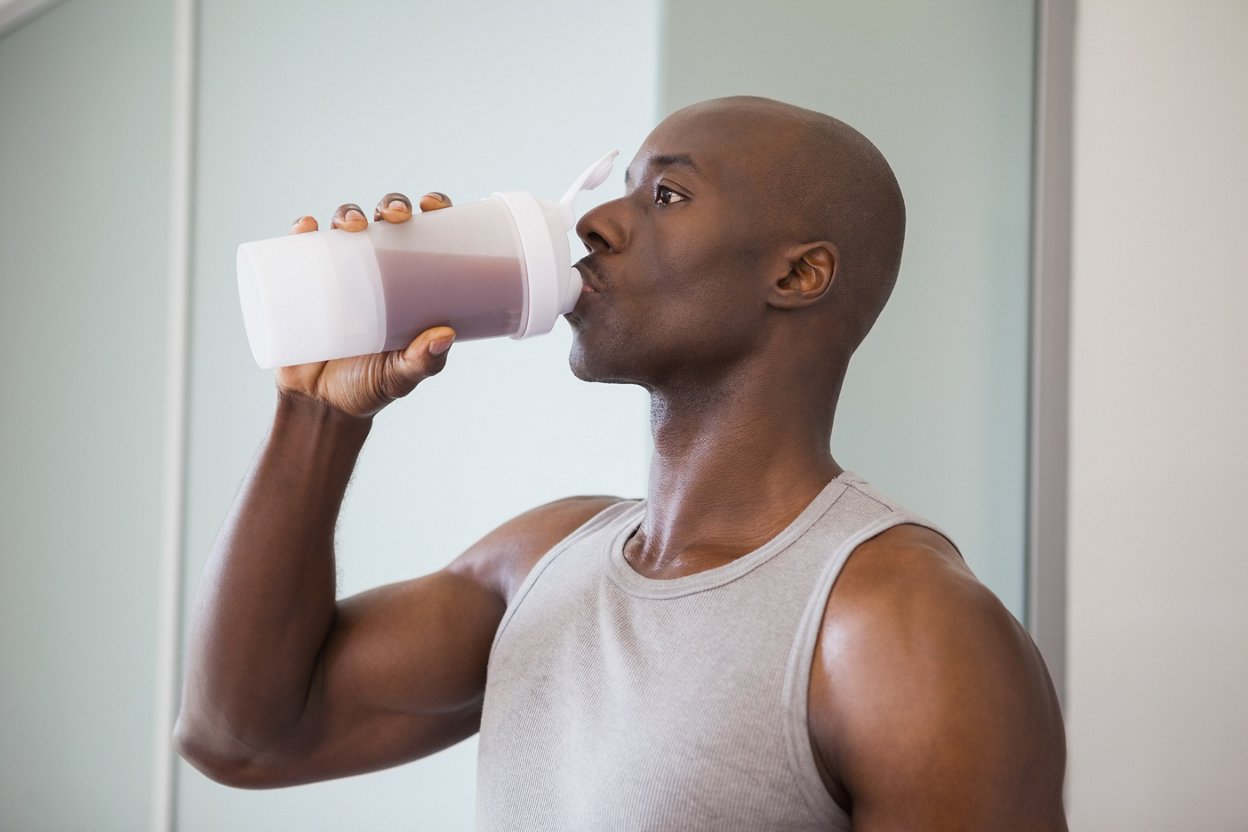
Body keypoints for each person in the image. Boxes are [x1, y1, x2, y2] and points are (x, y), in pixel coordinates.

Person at [176, 96, 1067, 830]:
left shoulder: (904, 628)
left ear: (799, 276)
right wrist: (317, 414)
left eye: (667, 195)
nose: (595, 222)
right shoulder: (539, 565)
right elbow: (242, 739)